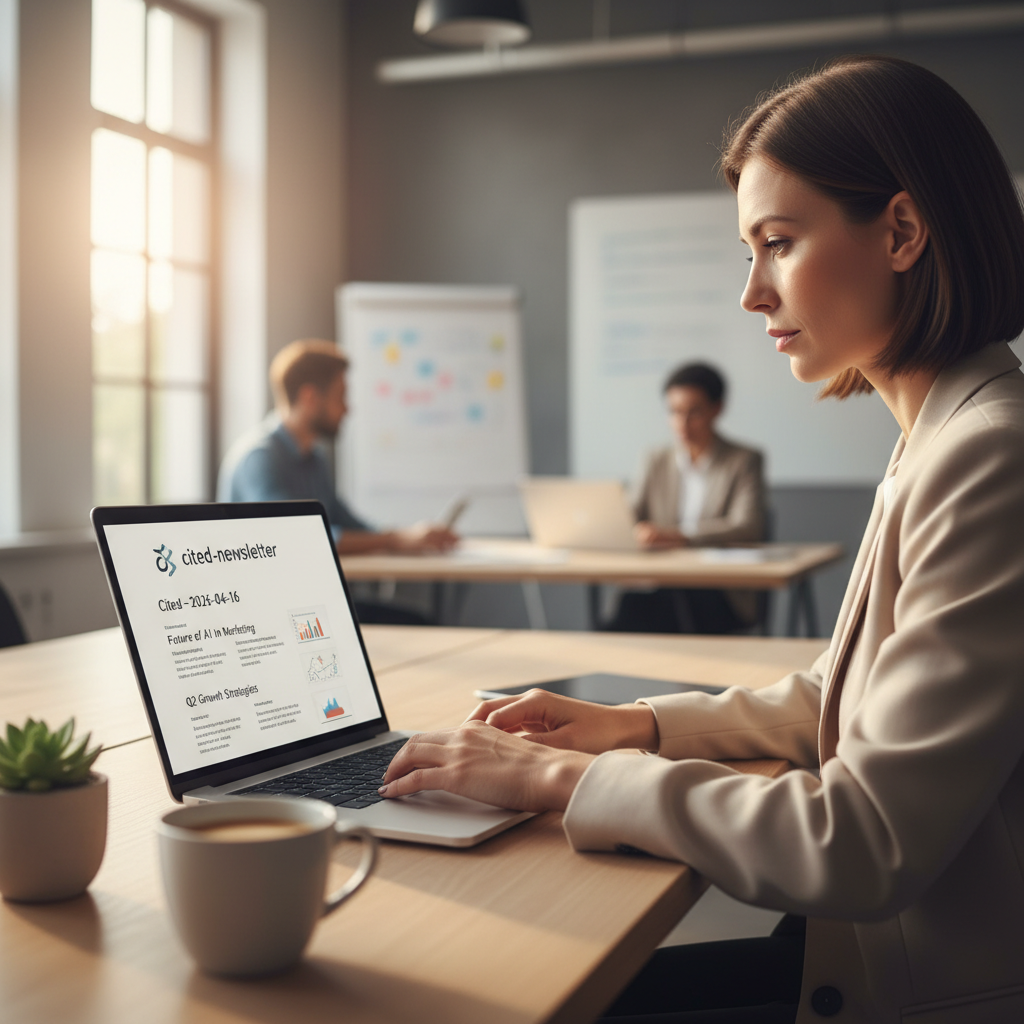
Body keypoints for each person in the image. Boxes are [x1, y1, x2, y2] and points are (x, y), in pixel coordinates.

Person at [376, 55, 1024, 1023]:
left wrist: (561, 776)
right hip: (869, 952)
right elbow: (839, 698)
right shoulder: (942, 434)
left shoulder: (989, 454)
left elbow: (862, 842)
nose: (752, 293)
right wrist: (634, 725)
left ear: (900, 232)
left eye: (777, 244)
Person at [218, 339, 458, 623]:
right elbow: (299, 537)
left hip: (311, 599)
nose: (347, 409)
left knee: (421, 623)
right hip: (269, 613)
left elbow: (345, 522)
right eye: (340, 397)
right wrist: (395, 539)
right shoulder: (259, 459)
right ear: (310, 397)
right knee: (416, 627)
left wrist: (407, 538)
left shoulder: (314, 458)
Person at [605, 362, 765, 634]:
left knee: (675, 601)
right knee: (629, 608)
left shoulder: (743, 460)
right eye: (675, 412)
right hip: (660, 580)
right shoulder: (656, 459)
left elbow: (747, 526)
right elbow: (630, 514)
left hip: (718, 589)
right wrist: (632, 530)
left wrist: (680, 536)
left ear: (717, 409)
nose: (682, 424)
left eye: (694, 413)